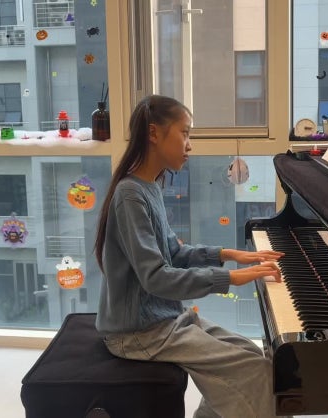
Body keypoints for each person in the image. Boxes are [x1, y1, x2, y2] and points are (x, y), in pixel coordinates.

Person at [93, 94, 285, 417]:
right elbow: (156, 278)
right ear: (154, 133)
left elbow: (175, 253)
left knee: (251, 353)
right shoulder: (130, 195)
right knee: (256, 372)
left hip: (163, 320)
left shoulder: (149, 187)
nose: (189, 145)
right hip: (137, 333)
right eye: (184, 133)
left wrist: (233, 255)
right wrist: (231, 278)